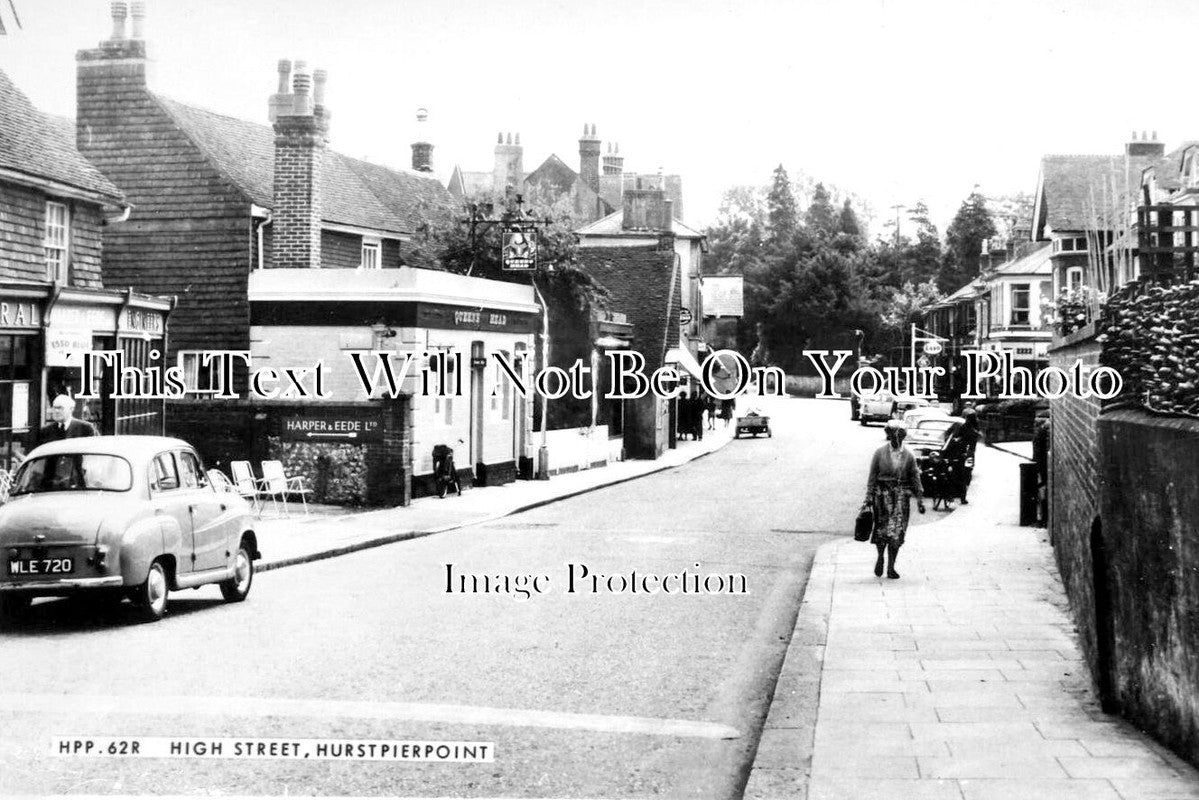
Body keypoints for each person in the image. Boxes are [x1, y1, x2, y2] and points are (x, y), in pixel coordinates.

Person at [864, 420, 925, 579]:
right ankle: (880, 558)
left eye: (899, 437)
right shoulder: (880, 452)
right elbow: (872, 476)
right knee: (882, 530)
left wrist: (919, 498)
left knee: (897, 533)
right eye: (893, 436)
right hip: (882, 497)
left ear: (903, 437)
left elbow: (915, 476)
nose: (896, 440)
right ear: (889, 436)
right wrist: (868, 498)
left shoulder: (909, 454)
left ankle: (891, 567)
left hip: (901, 498)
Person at [31, 395, 98, 449]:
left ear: (71, 409)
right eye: (54, 408)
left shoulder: (86, 428)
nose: (56, 411)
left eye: (60, 408)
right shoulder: (45, 431)